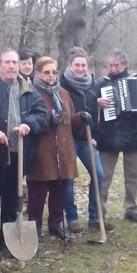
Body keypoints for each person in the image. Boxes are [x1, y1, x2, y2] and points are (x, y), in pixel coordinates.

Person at [0, 49, 48, 254]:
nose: (12, 66)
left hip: (19, 153)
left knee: (12, 196)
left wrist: (28, 125)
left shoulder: (28, 91)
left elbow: (41, 114)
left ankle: (8, 239)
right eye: (7, 62)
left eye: (15, 62)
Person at [28, 56, 88, 240]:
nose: (51, 76)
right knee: (38, 194)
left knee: (59, 191)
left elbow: (68, 120)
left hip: (63, 149)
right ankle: (34, 227)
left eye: (54, 72)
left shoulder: (62, 93)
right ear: (37, 73)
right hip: (42, 150)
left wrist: (81, 118)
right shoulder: (31, 93)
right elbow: (29, 121)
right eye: (46, 72)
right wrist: (47, 121)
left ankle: (55, 224)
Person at [93, 48, 137, 223]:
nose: (112, 68)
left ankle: (131, 208)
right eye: (110, 65)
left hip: (132, 133)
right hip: (107, 135)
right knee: (104, 175)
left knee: (133, 175)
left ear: (125, 65)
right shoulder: (101, 83)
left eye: (116, 65)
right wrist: (97, 103)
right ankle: (99, 211)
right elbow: (89, 105)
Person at [60, 47, 112, 232]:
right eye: (77, 65)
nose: (80, 68)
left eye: (83, 65)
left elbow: (94, 113)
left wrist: (94, 136)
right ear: (70, 66)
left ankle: (95, 217)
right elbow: (60, 117)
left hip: (86, 139)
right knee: (68, 178)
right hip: (67, 140)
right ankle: (72, 218)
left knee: (98, 174)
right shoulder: (61, 84)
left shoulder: (93, 85)